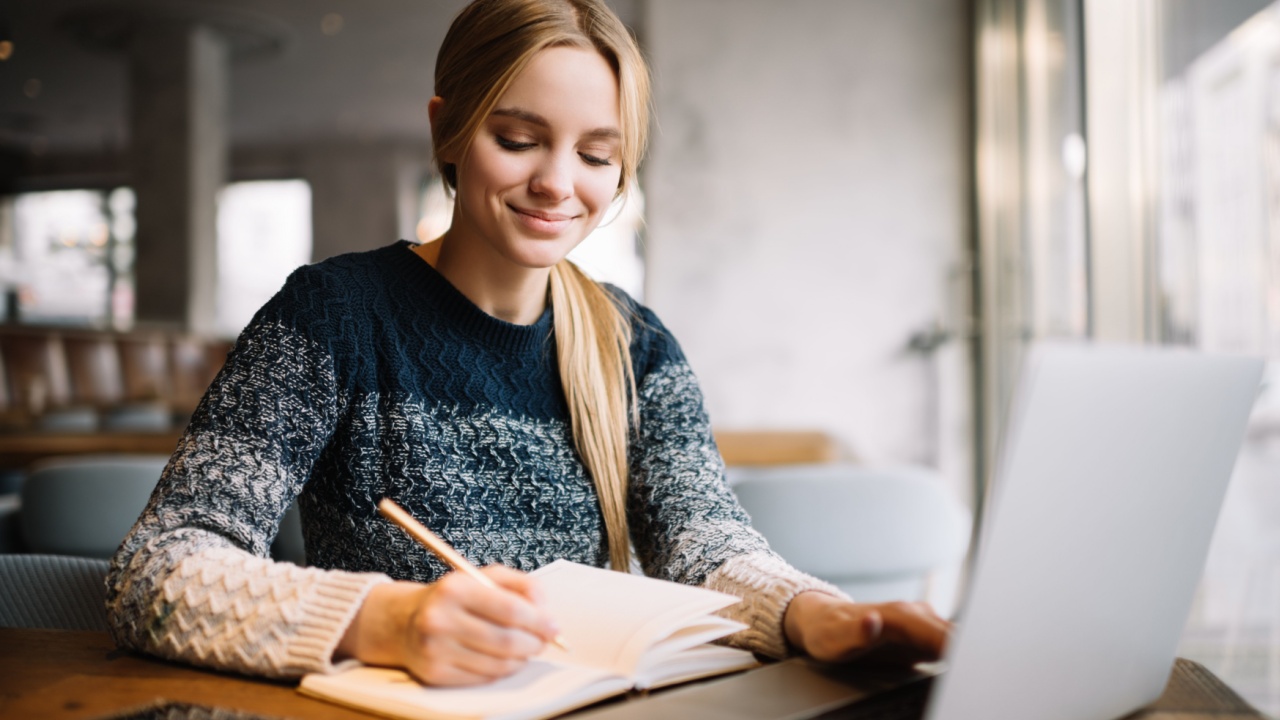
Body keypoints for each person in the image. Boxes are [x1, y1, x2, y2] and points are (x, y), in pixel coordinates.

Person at [107, 0, 949, 687]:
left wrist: (816, 612)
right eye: (517, 140)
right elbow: (157, 571)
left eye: (596, 155)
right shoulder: (335, 315)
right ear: (447, 129)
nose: (557, 182)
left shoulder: (635, 345)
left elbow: (705, 540)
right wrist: (383, 620)